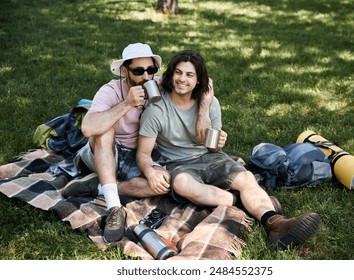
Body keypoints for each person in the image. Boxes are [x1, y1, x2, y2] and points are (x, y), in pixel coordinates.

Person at [136, 50, 321, 249]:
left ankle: (275, 223)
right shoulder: (156, 109)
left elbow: (211, 146)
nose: (182, 79)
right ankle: (242, 201)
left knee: (246, 178)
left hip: (209, 157)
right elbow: (143, 154)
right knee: (181, 184)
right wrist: (150, 171)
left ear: (199, 80)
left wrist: (207, 114)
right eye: (178, 73)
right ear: (171, 75)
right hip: (179, 165)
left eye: (190, 75)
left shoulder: (210, 103)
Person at [62, 43, 213, 243]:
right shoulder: (110, 91)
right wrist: (127, 104)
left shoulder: (156, 84)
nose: (145, 76)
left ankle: (98, 187)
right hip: (106, 152)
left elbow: (206, 81)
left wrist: (203, 113)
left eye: (151, 70)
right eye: (138, 71)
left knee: (164, 183)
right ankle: (115, 207)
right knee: (104, 132)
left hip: (138, 155)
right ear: (124, 71)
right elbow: (88, 128)